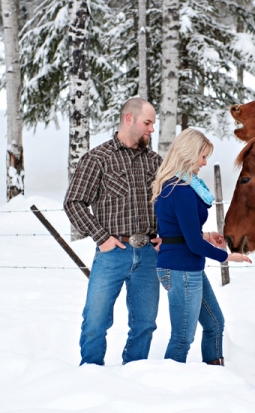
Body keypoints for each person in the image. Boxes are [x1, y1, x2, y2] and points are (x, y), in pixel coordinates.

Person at [64, 97, 162, 365]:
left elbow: (166, 204)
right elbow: (73, 203)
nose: (151, 130)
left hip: (149, 256)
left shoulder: (156, 162)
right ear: (128, 118)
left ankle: (134, 374)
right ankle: (90, 374)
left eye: (153, 124)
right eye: (147, 123)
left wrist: (164, 234)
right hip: (112, 252)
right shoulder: (97, 158)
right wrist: (101, 237)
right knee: (95, 321)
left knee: (145, 323)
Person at [152, 128, 250, 365]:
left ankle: (214, 376)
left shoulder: (181, 186)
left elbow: (182, 232)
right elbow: (192, 243)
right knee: (183, 338)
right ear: (189, 154)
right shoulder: (181, 190)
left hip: (187, 266)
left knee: (215, 323)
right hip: (181, 269)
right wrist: (226, 257)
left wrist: (206, 235)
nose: (205, 163)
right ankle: (167, 387)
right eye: (203, 156)